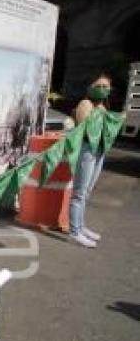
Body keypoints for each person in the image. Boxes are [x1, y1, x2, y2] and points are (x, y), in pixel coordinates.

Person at [68, 72, 112, 248]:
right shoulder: (85, 103)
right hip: (87, 150)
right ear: (91, 87)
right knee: (79, 192)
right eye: (99, 86)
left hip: (99, 152)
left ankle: (81, 226)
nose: (102, 89)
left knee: (86, 192)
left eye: (106, 87)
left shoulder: (103, 107)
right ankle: (74, 232)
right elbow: (86, 127)